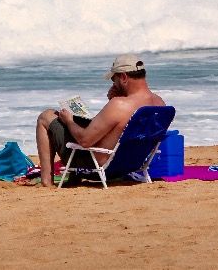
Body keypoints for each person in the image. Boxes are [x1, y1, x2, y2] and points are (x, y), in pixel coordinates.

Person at [34, 54, 166, 187]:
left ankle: (47, 181)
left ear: (124, 77)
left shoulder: (119, 105)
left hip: (97, 167)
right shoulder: (160, 103)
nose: (113, 84)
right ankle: (73, 179)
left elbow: (85, 140)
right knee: (83, 123)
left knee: (46, 116)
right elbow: (120, 131)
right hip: (131, 166)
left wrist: (68, 120)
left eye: (114, 80)